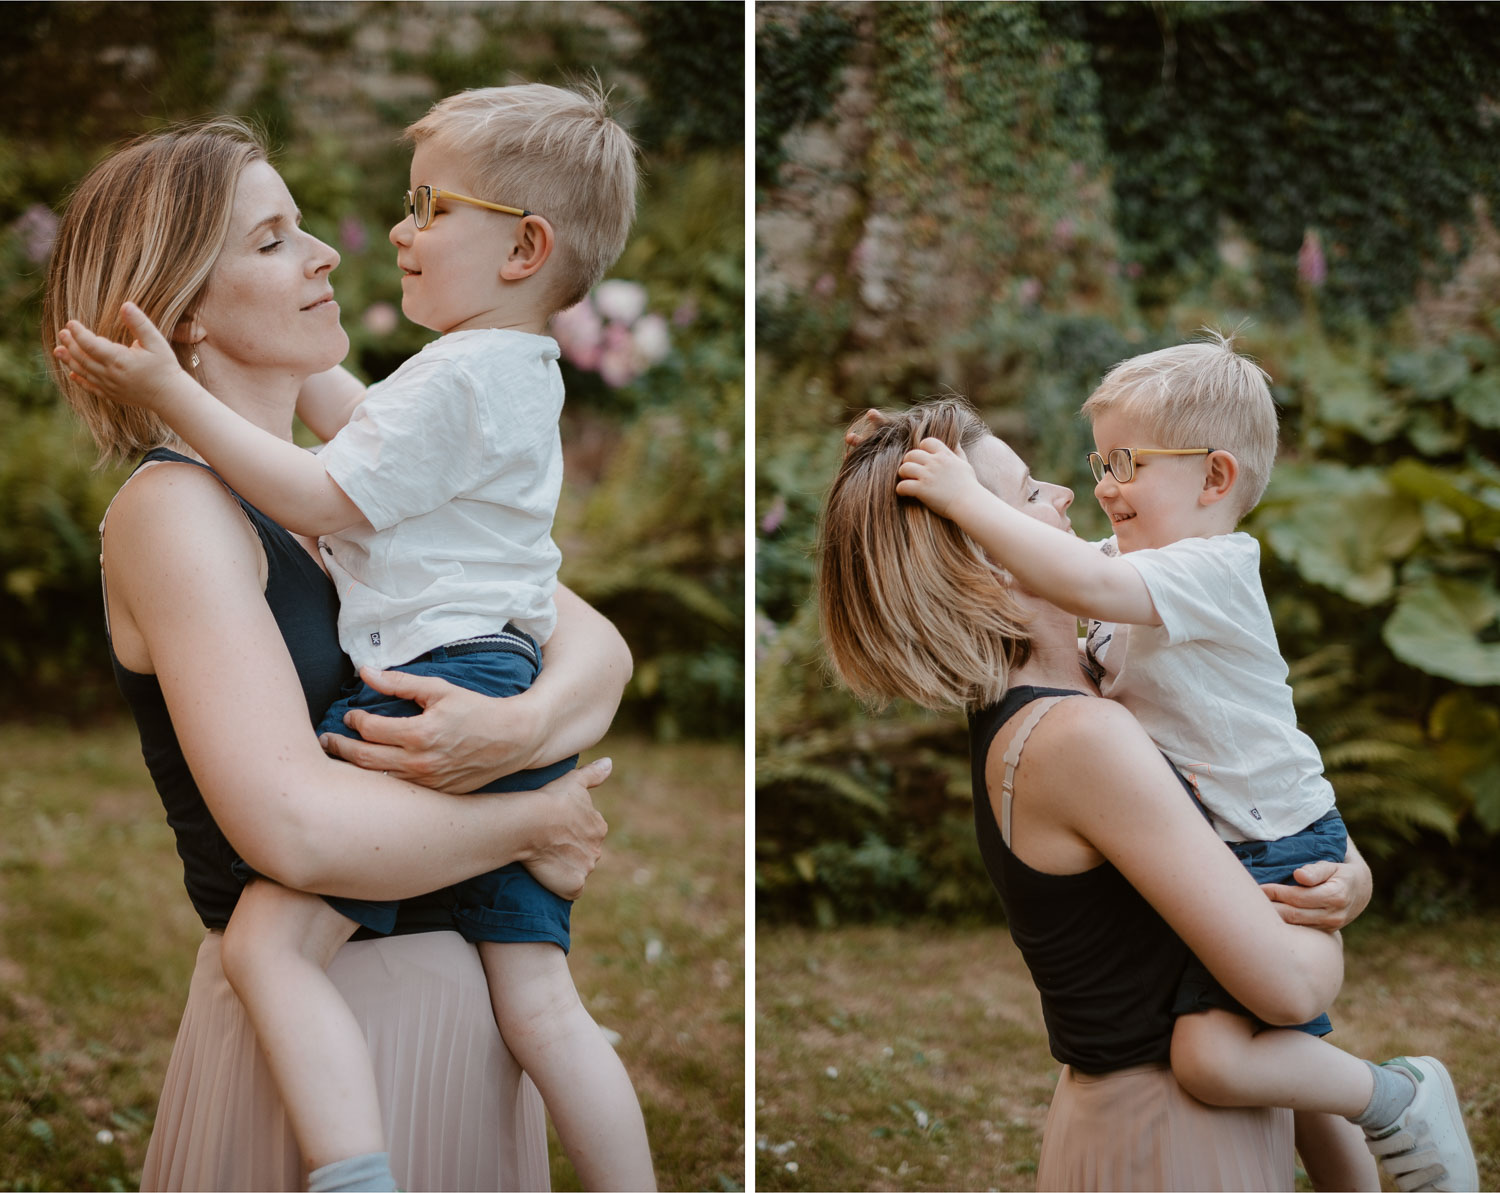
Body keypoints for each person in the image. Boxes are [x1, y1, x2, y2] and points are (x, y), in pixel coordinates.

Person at [57, 83, 654, 1193]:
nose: (335, 251)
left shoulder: (366, 482)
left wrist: (520, 722)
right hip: (332, 1043)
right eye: (277, 240)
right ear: (182, 309)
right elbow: (299, 833)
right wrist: (534, 813)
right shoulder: (183, 510)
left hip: (453, 1025)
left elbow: (600, 649)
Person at [895, 341, 1477, 1192]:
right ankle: (1395, 1100)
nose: (1083, 487)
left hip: (1271, 840)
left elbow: (1070, 576)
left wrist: (1346, 865)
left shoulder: (1207, 569)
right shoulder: (1084, 697)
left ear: (1213, 479)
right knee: (1226, 1051)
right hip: (1166, 1116)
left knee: (1237, 1049)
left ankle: (1397, 1104)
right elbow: (1057, 572)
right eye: (1044, 486)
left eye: (1120, 462)